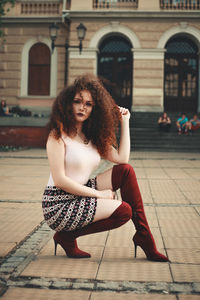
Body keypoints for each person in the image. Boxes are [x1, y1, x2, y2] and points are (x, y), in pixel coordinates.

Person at [42, 74, 169, 262]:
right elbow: (60, 181)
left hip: (80, 194)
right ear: (68, 104)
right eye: (78, 101)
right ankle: (67, 236)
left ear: (95, 109)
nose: (82, 107)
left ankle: (144, 236)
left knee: (126, 171)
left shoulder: (92, 138)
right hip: (58, 204)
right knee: (124, 211)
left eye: (89, 104)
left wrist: (125, 122)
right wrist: (100, 195)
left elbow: (122, 158)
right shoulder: (57, 135)